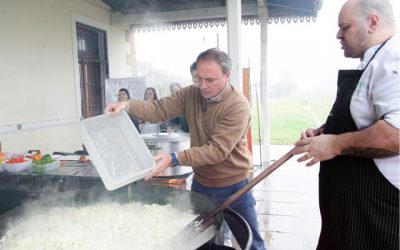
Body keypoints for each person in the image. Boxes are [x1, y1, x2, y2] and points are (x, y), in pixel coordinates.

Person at [105, 48, 266, 250]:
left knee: (251, 243)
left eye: (210, 80)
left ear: (227, 76)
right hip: (201, 184)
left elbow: (217, 150)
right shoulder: (191, 93)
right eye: (199, 78)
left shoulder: (238, 106)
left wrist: (174, 158)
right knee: (199, 241)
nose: (203, 86)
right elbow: (158, 109)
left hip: (234, 186)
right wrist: (127, 105)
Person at [292, 0, 399, 249]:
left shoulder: (394, 59)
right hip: (347, 211)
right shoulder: (373, 61)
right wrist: (325, 133)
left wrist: (335, 143)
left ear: (372, 22)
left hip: (373, 213)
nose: (338, 34)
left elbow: (395, 136)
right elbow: (365, 119)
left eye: (345, 27)